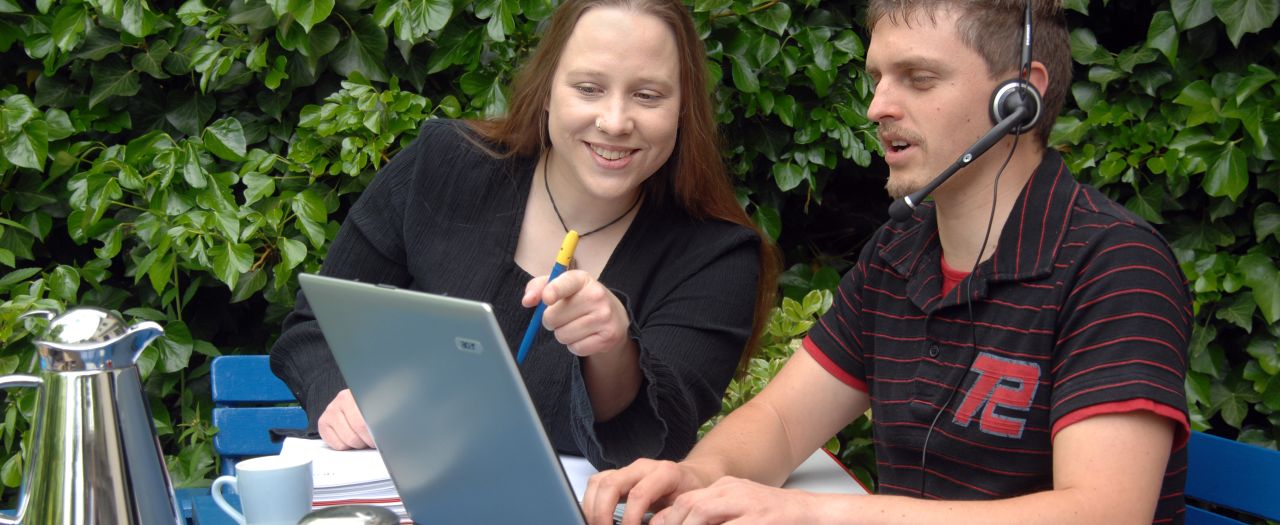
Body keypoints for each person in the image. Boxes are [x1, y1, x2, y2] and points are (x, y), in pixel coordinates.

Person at [583, 1, 1192, 523]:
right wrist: (697, 477)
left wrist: (823, 513)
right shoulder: (900, 253)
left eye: (917, 78)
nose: (877, 107)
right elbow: (782, 422)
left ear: (1020, 96)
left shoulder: (1115, 267)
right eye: (877, 77)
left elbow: (1105, 512)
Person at [269, 0, 778, 470]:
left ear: (684, 109)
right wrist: (337, 393)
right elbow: (316, 326)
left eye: (648, 95)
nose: (615, 121)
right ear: (546, 90)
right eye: (588, 88)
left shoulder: (717, 257)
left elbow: (658, 438)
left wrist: (613, 348)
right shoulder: (445, 165)